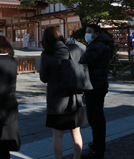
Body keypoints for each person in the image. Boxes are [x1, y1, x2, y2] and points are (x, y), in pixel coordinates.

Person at [39, 27, 88, 159]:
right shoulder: (73, 50)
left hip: (56, 100)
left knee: (57, 135)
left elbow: (43, 78)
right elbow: (84, 47)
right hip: (74, 98)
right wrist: (71, 41)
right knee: (76, 133)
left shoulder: (46, 55)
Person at [80, 24, 111, 159]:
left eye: (89, 32)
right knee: (98, 117)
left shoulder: (95, 46)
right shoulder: (103, 44)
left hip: (94, 86)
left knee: (95, 119)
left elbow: (84, 63)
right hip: (100, 84)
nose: (86, 34)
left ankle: (98, 150)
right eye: (86, 31)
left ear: (96, 34)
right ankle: (98, 145)